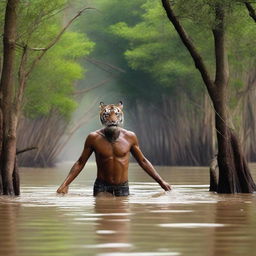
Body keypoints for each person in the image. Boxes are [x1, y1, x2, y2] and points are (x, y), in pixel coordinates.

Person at [57, 101, 171, 196]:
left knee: (121, 221)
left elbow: (143, 161)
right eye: (107, 116)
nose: (112, 119)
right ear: (102, 118)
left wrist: (161, 182)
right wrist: (65, 184)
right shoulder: (93, 138)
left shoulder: (130, 137)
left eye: (116, 115)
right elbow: (80, 162)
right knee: (102, 220)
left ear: (121, 117)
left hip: (122, 186)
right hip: (101, 186)